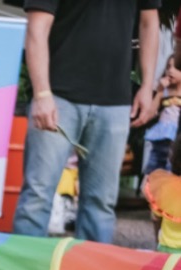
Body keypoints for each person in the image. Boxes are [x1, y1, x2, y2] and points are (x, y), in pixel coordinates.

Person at [13, 0, 160, 243]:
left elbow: (149, 21)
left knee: (100, 203)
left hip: (114, 100)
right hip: (58, 96)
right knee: (37, 197)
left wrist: (147, 86)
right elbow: (37, 28)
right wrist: (42, 94)